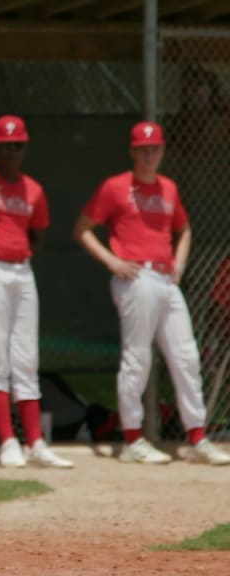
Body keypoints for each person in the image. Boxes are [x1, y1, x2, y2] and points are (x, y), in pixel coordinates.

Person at [71, 120, 230, 466]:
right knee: (138, 357)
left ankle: (198, 437)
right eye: (143, 149)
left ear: (162, 150)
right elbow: (82, 229)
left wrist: (180, 264)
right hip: (135, 276)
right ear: (132, 151)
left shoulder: (168, 188)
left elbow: (184, 229)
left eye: (154, 148)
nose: (149, 154)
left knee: (186, 356)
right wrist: (112, 261)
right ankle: (132, 438)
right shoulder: (116, 187)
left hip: (165, 279)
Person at [0, 115, 73, 469]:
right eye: (6, 146)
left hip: (20, 269)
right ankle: (7, 440)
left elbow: (37, 234)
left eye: (17, 145)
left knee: (25, 356)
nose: (12, 152)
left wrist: (15, 252)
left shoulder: (33, 189)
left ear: (24, 148)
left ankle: (35, 442)